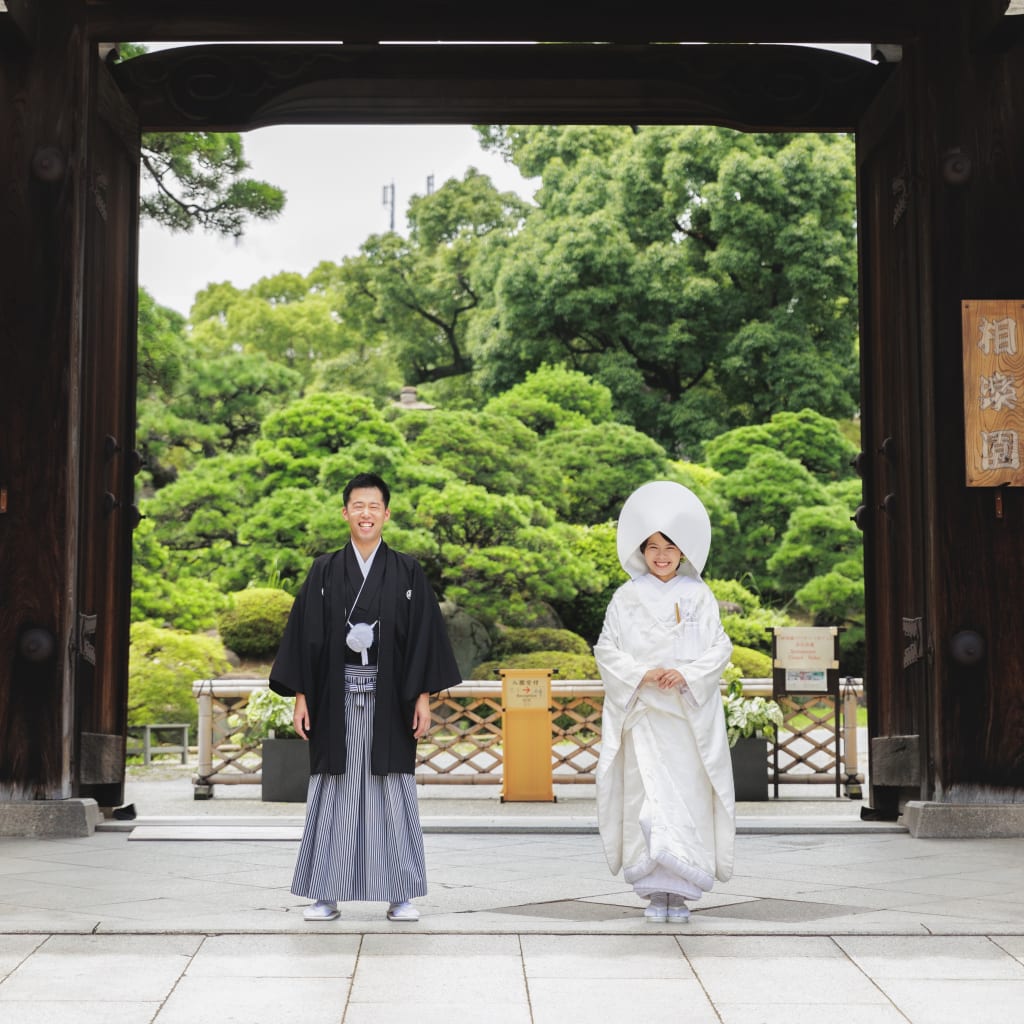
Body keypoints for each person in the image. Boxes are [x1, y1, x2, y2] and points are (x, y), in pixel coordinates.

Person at [269, 472, 462, 923]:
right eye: (358, 505)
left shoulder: (407, 571)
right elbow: (306, 636)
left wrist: (422, 698)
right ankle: (324, 893)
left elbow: (421, 639)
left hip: (390, 697)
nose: (366, 514)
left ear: (387, 514)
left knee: (392, 789)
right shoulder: (324, 570)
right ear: (345, 513)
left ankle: (400, 893)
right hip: (334, 698)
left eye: (374, 506)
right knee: (333, 789)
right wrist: (301, 695)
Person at [594, 480, 735, 923]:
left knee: (685, 799)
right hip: (644, 717)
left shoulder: (699, 595)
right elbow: (606, 649)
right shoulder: (626, 597)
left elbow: (719, 648)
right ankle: (657, 896)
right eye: (652, 546)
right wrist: (642, 674)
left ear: (683, 551)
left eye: (669, 547)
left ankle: (683, 893)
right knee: (647, 801)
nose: (660, 555)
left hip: (685, 720)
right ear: (642, 550)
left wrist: (688, 674)